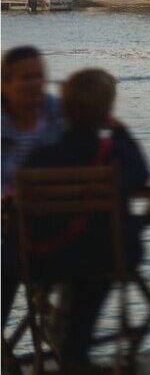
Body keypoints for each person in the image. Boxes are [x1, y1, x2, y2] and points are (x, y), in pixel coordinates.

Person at [21, 69, 150, 369]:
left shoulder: (41, 157)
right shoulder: (115, 154)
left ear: (64, 108)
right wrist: (120, 131)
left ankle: (63, 344)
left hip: (46, 261)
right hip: (107, 257)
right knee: (94, 264)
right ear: (107, 110)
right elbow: (140, 174)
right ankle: (75, 350)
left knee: (78, 262)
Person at [4, 46, 64, 326]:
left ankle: (69, 345)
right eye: (26, 78)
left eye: (39, 76)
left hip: (52, 225)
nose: (36, 84)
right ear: (5, 85)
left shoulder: (56, 113)